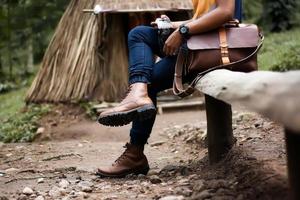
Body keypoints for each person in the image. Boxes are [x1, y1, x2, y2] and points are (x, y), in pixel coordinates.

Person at [97, 0, 242, 178]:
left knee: (147, 77)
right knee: (139, 35)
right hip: (199, 42)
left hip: (212, 48)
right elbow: (203, 19)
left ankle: (135, 153)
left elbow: (225, 14)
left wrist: (183, 31)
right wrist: (172, 25)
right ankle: (138, 93)